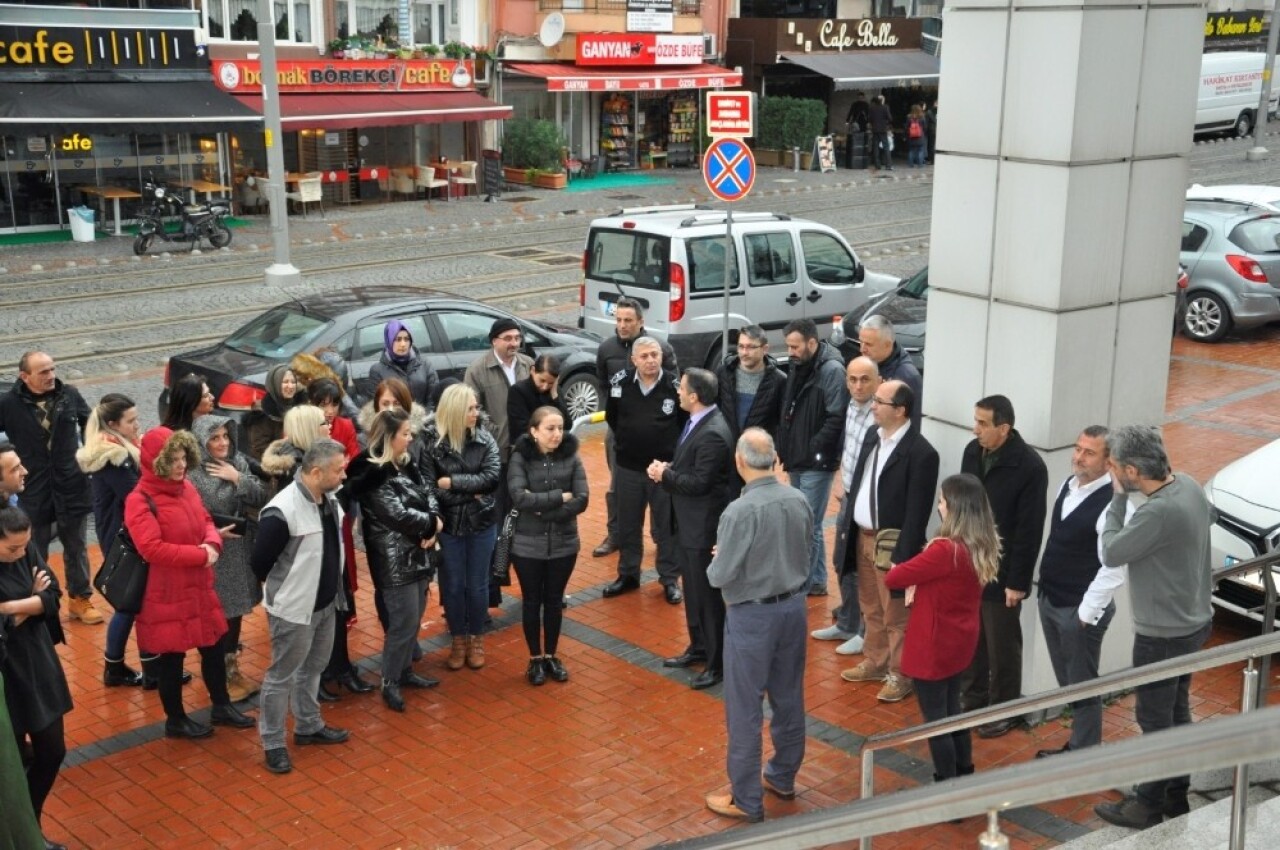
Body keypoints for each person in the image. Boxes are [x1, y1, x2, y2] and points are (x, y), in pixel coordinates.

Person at [1093, 425, 1213, 830]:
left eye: (1113, 467)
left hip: (1163, 633)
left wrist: (1116, 498)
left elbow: (1111, 551)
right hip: (1193, 621)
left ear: (1130, 470)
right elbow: (1203, 520)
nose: (1110, 472)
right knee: (1176, 709)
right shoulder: (1190, 486)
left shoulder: (1156, 511)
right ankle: (1175, 791)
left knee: (1155, 718)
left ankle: (1147, 805)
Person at [703, 429, 811, 824]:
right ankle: (783, 776)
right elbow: (806, 549)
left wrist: (719, 556)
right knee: (788, 696)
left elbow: (719, 575)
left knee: (745, 708)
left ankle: (746, 799)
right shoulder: (798, 498)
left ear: (740, 461)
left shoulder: (738, 511)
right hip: (794, 609)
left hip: (752, 617)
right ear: (775, 458)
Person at [125, 427, 255, 739]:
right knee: (171, 657)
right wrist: (200, 554)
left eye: (184, 458)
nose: (181, 465)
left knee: (212, 646)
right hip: (166, 593)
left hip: (197, 585)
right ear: (157, 462)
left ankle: (221, 705)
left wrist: (212, 544)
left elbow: (207, 521)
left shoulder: (186, 488)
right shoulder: (139, 499)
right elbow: (151, 548)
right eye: (173, 460)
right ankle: (176, 719)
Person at [884, 473, 1001, 782]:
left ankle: (946, 787)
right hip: (959, 641)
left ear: (956, 509)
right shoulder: (981, 544)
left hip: (932, 646)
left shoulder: (944, 551)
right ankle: (964, 772)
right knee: (954, 711)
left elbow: (893, 579)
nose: (939, 506)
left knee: (935, 722)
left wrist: (901, 565)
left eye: (942, 501)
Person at [251, 439, 351, 775]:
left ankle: (308, 725)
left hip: (324, 604)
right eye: (338, 469)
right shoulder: (282, 511)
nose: (344, 474)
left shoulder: (328, 498)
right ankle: (273, 743)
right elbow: (259, 562)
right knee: (282, 676)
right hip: (294, 610)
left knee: (313, 668)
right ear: (316, 471)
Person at [838, 381, 939, 704]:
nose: (873, 406)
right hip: (862, 538)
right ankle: (876, 661)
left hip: (891, 546)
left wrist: (903, 556)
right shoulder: (873, 437)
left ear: (901, 410)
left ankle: (900, 674)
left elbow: (917, 511)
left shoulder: (921, 453)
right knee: (870, 605)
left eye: (880, 401)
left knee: (896, 615)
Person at [1035, 426, 1128, 759]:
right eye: (1077, 449)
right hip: (1052, 599)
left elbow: (1114, 568)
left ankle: (1083, 754)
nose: (1078, 457)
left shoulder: (1113, 506)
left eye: (1089, 452)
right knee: (1071, 683)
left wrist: (1083, 617)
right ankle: (1080, 746)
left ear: (1108, 462)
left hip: (1078, 611)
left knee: (1083, 685)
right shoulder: (1067, 485)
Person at [959, 395, 1048, 738]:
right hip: (969, 562)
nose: (975, 429)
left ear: (1004, 428)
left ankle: (1004, 709)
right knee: (971, 638)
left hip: (1001, 569)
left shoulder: (1029, 467)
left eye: (983, 424)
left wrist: (1018, 582)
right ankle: (973, 698)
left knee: (1002, 645)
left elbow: (1030, 529)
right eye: (976, 421)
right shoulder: (972, 451)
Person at [343, 408, 442, 712]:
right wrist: (431, 523)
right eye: (405, 433)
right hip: (394, 558)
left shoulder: (405, 463)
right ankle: (390, 681)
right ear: (389, 437)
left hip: (419, 552)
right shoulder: (373, 471)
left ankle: (405, 672)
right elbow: (396, 514)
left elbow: (428, 492)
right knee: (402, 622)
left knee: (414, 619)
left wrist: (434, 520)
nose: (411, 438)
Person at [0, 351, 100, 625]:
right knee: (33, 549)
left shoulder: (69, 394)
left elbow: (91, 424)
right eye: (43, 371)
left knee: (76, 546)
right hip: (33, 489)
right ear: (25, 376)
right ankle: (35, 600)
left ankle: (80, 599)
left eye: (52, 369)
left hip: (71, 485)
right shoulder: (8, 403)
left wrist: (88, 456)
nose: (50, 375)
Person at [652, 368, 734, 690]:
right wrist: (671, 468)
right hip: (690, 525)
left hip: (702, 528)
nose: (678, 392)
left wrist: (664, 476)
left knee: (707, 596)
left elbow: (700, 484)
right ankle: (699, 647)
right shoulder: (697, 421)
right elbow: (695, 468)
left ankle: (717, 663)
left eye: (682, 389)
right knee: (694, 593)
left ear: (694, 396)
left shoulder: (712, 431)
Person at [0, 506, 73, 850]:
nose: (20, 553)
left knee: (52, 750)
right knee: (12, 761)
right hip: (6, 677)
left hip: (37, 661)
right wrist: (31, 600)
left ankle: (31, 822)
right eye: (11, 549)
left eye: (24, 547)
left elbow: (53, 595)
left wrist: (9, 607)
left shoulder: (25, 545)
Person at [188, 414, 270, 703]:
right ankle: (219, 674)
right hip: (215, 555)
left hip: (241, 551)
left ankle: (231, 668)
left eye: (225, 436)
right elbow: (189, 517)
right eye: (214, 437)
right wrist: (213, 532)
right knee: (217, 614)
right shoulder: (191, 475)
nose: (222, 442)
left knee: (235, 613)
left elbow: (262, 496)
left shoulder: (238, 463)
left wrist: (238, 479)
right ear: (201, 441)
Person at [421, 383, 501, 671]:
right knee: (453, 586)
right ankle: (457, 639)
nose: (475, 413)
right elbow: (429, 488)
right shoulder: (431, 443)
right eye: (470, 408)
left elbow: (491, 479)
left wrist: (452, 483)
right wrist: (471, 489)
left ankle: (476, 639)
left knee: (478, 585)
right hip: (449, 526)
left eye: (476, 407)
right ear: (455, 411)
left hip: (481, 522)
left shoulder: (485, 437)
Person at [507, 405, 588, 685]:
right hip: (527, 546)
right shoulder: (520, 458)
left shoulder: (572, 456)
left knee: (554, 601)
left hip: (564, 544)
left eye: (560, 428)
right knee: (531, 601)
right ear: (533, 431)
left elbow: (582, 498)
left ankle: (551, 655)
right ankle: (534, 659)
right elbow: (519, 498)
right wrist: (559, 496)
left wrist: (545, 509)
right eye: (550, 429)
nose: (557, 434)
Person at [602, 337, 686, 603]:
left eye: (655, 355)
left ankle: (670, 579)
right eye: (645, 356)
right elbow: (612, 418)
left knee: (666, 527)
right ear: (634, 360)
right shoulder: (619, 383)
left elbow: (684, 424)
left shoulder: (675, 385)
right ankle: (628, 575)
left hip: (663, 471)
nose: (651, 360)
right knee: (628, 525)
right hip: (628, 468)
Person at [592, 298, 677, 558]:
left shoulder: (661, 348)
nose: (622, 325)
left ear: (641, 322)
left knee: (659, 489)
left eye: (628, 320)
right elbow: (604, 388)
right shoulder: (606, 348)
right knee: (619, 486)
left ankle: (658, 537)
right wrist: (622, 426)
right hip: (620, 434)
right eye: (618, 319)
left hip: (660, 437)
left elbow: (675, 393)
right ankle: (616, 534)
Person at [75, 394, 149, 686]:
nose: (136, 425)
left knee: (132, 602)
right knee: (129, 603)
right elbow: (137, 496)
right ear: (112, 424)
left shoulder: (119, 448)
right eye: (131, 421)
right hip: (124, 539)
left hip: (122, 535)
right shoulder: (112, 457)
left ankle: (120, 666)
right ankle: (118, 667)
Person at [775, 319, 848, 596]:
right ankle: (815, 579)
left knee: (809, 523)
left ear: (812, 343)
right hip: (797, 458)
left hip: (816, 462)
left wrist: (812, 447)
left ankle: (809, 581)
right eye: (789, 346)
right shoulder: (799, 365)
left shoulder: (831, 371)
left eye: (795, 346)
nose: (791, 351)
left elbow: (836, 416)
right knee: (805, 521)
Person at [817, 357, 880, 654]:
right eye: (852, 379)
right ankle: (846, 623)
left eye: (864, 379)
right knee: (841, 562)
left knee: (864, 570)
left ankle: (863, 631)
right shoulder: (851, 407)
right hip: (848, 497)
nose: (857, 385)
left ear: (877, 381)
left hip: (868, 505)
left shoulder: (880, 416)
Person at [714, 324, 785, 443]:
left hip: (757, 453)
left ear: (765, 349)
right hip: (726, 449)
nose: (744, 352)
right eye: (741, 346)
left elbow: (781, 425)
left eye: (750, 347)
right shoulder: (724, 373)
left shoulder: (779, 381)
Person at [858, 316, 922, 426]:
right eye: (861, 342)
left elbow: (912, 424)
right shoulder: (869, 361)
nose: (862, 349)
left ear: (887, 344)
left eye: (868, 344)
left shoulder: (907, 377)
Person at [260, 405, 332, 498]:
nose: (330, 425)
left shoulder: (303, 459)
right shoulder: (298, 470)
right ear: (309, 429)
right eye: (324, 423)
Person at [367, 319, 439, 410]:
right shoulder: (377, 370)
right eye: (397, 339)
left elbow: (433, 399)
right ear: (389, 340)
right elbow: (376, 405)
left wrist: (425, 420)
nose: (403, 344)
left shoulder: (425, 365)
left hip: (423, 420)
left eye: (406, 339)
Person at [242, 364, 305, 461]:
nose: (290, 386)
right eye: (285, 382)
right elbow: (259, 449)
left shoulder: (302, 406)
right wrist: (282, 448)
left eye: (293, 382)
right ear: (275, 384)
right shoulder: (262, 414)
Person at [508, 354, 570, 442]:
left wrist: (555, 397)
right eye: (542, 380)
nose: (545, 387)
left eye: (550, 383)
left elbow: (567, 424)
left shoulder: (555, 391)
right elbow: (519, 429)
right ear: (533, 371)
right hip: (528, 447)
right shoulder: (518, 391)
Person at [867, 94, 893, 170]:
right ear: (882, 100)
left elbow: (870, 119)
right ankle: (888, 165)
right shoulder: (885, 107)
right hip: (883, 129)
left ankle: (877, 165)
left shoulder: (872, 108)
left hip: (875, 129)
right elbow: (890, 118)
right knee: (886, 147)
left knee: (875, 147)